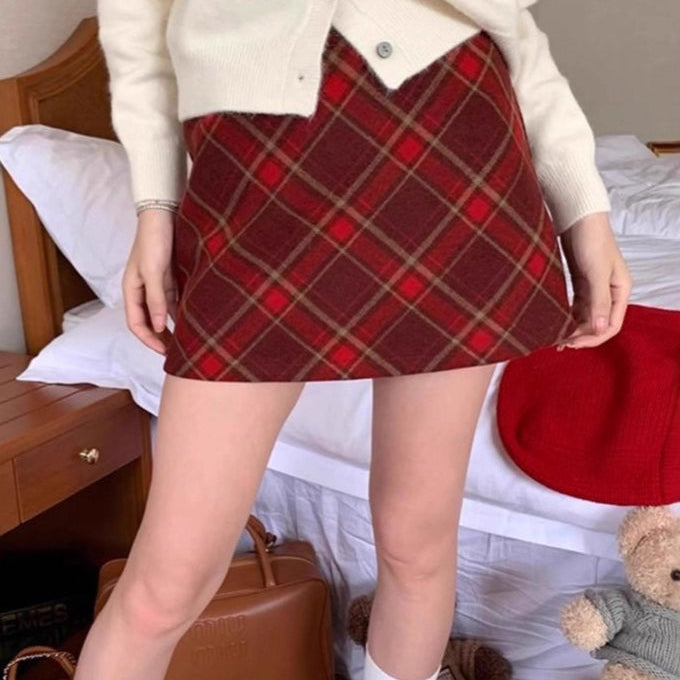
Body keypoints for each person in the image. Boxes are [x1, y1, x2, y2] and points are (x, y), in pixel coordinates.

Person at [80, 1, 632, 679]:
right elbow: (137, 36)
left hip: (449, 148)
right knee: (165, 584)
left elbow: (514, 30)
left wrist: (585, 209)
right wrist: (155, 206)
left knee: (415, 542)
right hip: (254, 173)